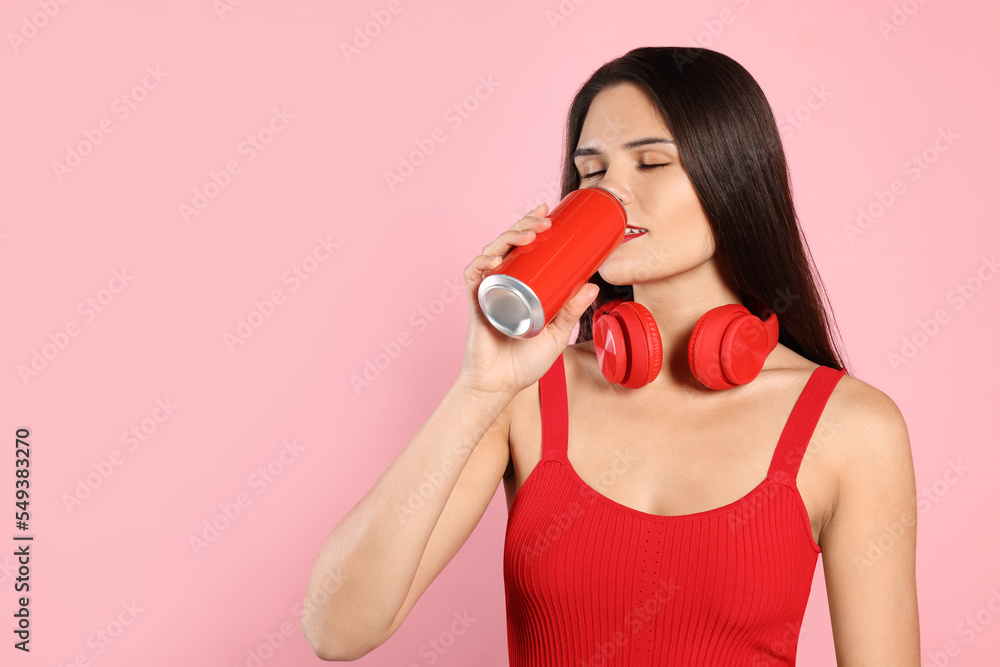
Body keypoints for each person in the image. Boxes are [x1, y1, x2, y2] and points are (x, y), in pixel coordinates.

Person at [301, 46, 920, 665]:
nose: (613, 194)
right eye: (591, 172)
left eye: (651, 162)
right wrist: (479, 388)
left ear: (733, 177)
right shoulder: (526, 392)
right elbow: (337, 629)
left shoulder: (853, 428)